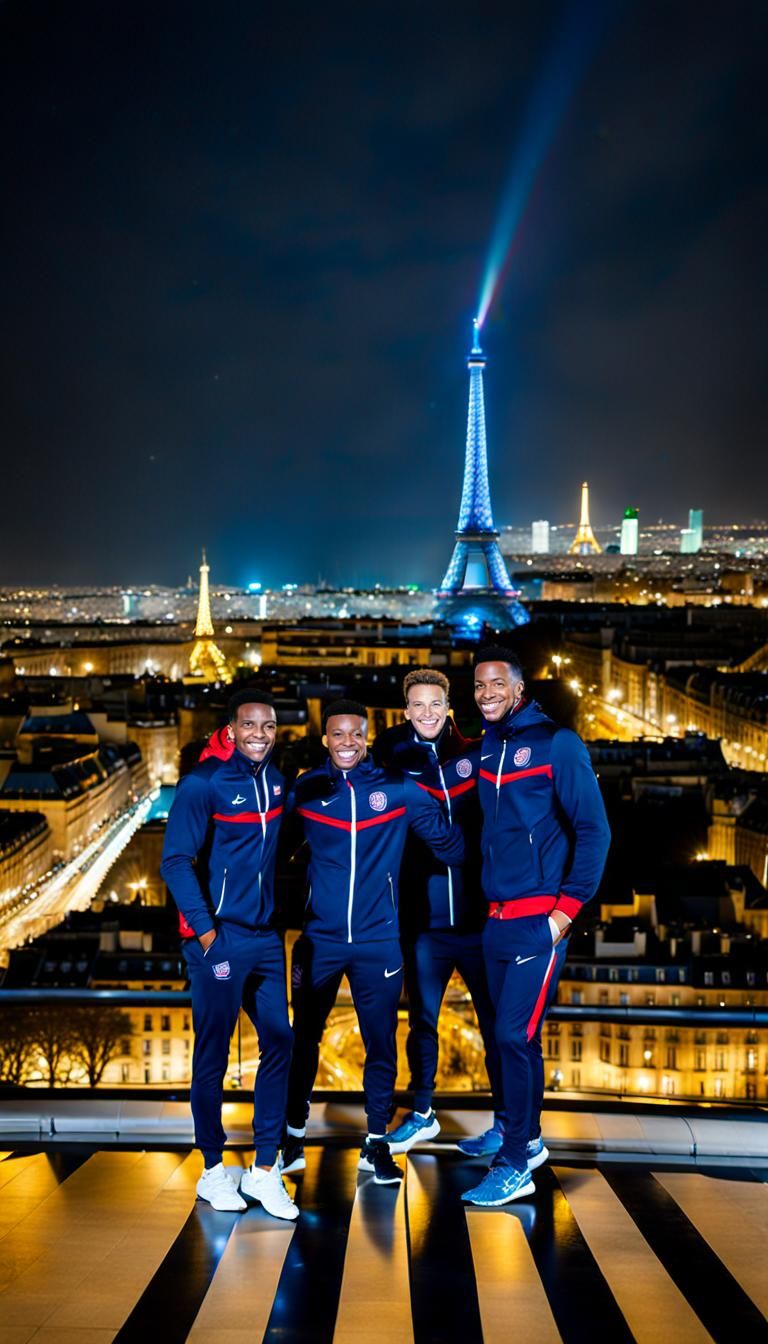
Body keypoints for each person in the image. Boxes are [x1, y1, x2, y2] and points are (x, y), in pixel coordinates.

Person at [281, 699, 464, 1184]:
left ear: (366, 737)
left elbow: (451, 846)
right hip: (319, 939)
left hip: (380, 940)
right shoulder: (307, 789)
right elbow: (269, 848)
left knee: (380, 1044)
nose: (347, 742)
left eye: (356, 734)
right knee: (304, 1038)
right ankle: (292, 1137)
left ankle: (376, 1143)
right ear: (325, 739)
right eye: (338, 734)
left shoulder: (397, 789)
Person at [461, 647, 610, 1207]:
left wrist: (564, 914)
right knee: (512, 1039)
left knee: (511, 1036)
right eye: (479, 685)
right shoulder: (488, 746)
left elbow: (594, 831)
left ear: (519, 688)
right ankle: (520, 1134)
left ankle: (514, 1164)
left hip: (538, 919)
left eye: (497, 684)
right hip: (496, 918)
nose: (487, 693)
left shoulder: (557, 744)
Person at [160, 689, 298, 1220]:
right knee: (213, 1055)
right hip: (219, 939)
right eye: (250, 725)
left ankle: (264, 1170)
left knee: (280, 1040)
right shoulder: (204, 782)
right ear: (232, 729)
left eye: (269, 726)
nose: (260, 734)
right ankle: (213, 1169)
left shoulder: (276, 780)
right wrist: (207, 936)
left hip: (265, 938)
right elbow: (175, 861)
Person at [372, 669, 504, 1153]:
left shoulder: (477, 752)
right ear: (405, 710)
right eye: (418, 705)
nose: (427, 713)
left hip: (478, 919)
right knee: (421, 1023)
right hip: (423, 921)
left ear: (448, 707)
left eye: (435, 704)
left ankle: (506, 1123)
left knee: (495, 1026)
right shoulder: (390, 756)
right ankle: (422, 1112)